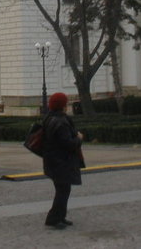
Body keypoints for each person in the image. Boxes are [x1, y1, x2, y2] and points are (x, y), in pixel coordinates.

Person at [42, 92, 83, 230]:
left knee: (63, 189)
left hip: (53, 161)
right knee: (62, 190)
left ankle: (60, 216)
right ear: (63, 106)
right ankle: (53, 219)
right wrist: (79, 138)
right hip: (61, 162)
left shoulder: (49, 118)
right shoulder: (61, 122)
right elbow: (68, 143)